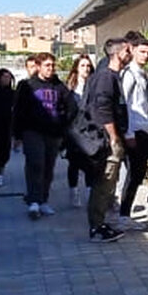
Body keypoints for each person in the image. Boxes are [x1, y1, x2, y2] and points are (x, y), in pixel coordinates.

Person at [12, 52, 77, 220]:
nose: (51, 69)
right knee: (36, 164)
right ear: (39, 66)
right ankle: (33, 201)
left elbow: (71, 106)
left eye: (53, 66)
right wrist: (17, 135)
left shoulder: (58, 86)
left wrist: (63, 124)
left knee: (48, 167)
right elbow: (18, 111)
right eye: (47, 65)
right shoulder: (27, 85)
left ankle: (43, 200)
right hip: (32, 132)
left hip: (53, 133)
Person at [81, 38, 129, 242]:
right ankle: (96, 227)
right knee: (105, 182)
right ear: (118, 53)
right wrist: (114, 137)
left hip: (109, 137)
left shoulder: (111, 76)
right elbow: (102, 110)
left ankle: (99, 223)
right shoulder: (105, 78)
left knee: (107, 183)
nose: (130, 53)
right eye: (127, 50)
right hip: (106, 139)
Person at [118, 32, 148, 223]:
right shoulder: (129, 75)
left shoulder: (142, 74)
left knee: (137, 173)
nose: (145, 56)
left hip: (143, 128)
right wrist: (128, 133)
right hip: (135, 131)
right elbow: (126, 104)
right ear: (133, 51)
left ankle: (125, 214)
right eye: (142, 52)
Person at [63, 53, 97, 208]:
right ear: (76, 68)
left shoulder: (94, 85)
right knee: (74, 163)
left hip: (89, 131)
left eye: (88, 66)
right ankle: (74, 192)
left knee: (90, 162)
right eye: (83, 65)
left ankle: (90, 193)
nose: (86, 69)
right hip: (73, 131)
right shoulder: (70, 88)